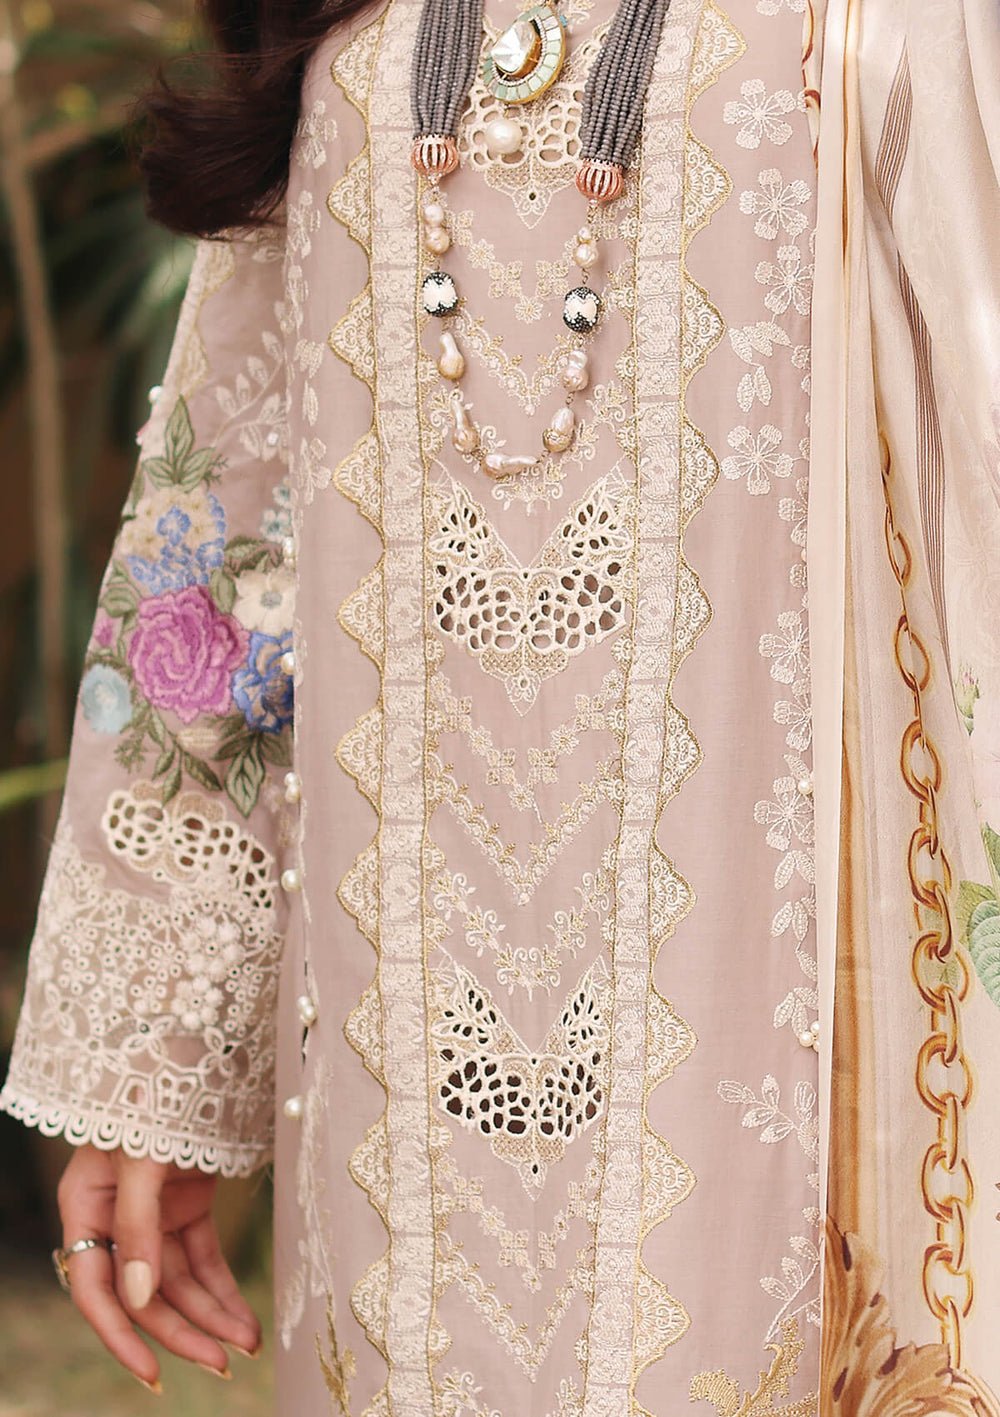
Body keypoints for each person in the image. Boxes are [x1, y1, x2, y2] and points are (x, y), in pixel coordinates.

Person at [3, 0, 1000, 1409]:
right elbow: (230, 536)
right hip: (399, 1105)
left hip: (792, 1075)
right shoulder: (353, 45)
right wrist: (152, 1062)